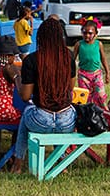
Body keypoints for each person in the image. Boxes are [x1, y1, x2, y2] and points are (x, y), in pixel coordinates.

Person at [10, 18, 77, 174]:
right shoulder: (69, 56)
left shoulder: (31, 60)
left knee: (26, 114)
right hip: (67, 121)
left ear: (40, 37)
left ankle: (17, 164)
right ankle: (62, 164)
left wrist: (17, 78)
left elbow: (25, 96)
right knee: (60, 117)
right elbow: (70, 87)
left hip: (41, 120)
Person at [72, 19, 110, 110]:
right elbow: (72, 60)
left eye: (90, 33)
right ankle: (87, 113)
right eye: (84, 33)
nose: (87, 35)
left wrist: (107, 73)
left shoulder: (98, 44)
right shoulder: (79, 44)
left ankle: (105, 110)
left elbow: (103, 59)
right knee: (85, 96)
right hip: (83, 75)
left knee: (100, 95)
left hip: (96, 74)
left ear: (96, 34)